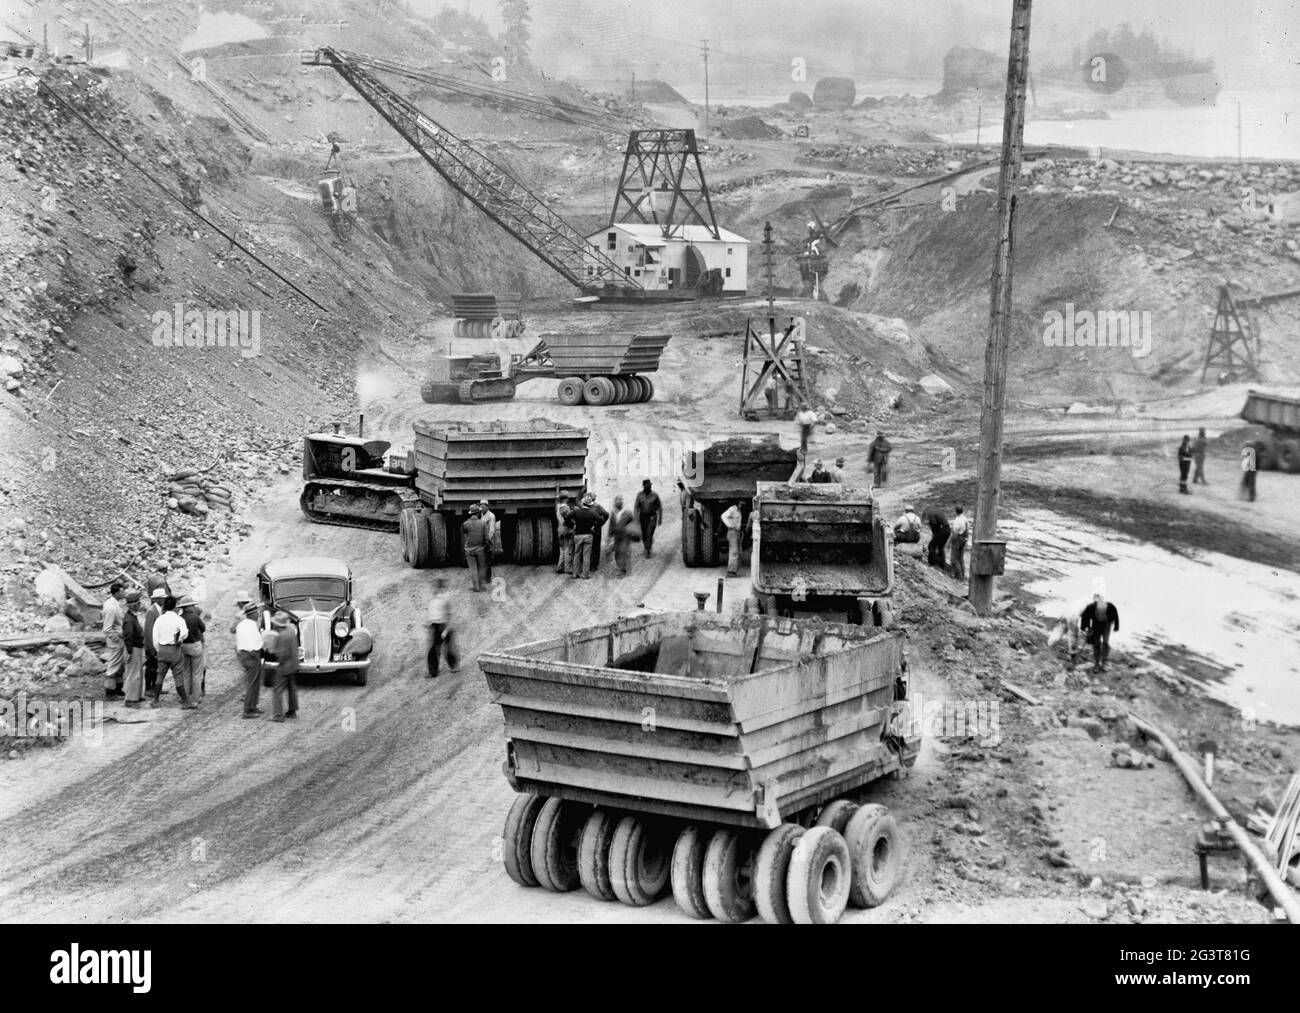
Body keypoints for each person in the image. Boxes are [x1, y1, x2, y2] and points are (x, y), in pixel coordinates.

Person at [150, 596, 188, 707]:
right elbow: (185, 632)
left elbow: (155, 638)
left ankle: (155, 700)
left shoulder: (159, 619)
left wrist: (159, 649)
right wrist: (179, 640)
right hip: (174, 649)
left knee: (160, 675)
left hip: (162, 648)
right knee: (178, 675)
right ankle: (185, 701)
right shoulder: (178, 619)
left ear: (164, 606)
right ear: (175, 606)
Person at [232, 601, 264, 717]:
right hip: (252, 655)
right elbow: (255, 644)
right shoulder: (251, 626)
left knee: (254, 682)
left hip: (244, 655)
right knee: (252, 683)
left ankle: (253, 706)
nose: (258, 615)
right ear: (253, 614)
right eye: (257, 613)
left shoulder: (242, 624)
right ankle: (247, 710)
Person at [269, 612, 299, 722]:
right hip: (294, 665)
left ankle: (278, 715)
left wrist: (274, 651)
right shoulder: (291, 631)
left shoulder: (281, 636)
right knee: (291, 688)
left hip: (285, 667)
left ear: (277, 625)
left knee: (277, 690)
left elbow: (282, 654)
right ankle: (292, 711)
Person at [1080, 592, 1120, 674]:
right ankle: (1097, 663)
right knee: (1096, 643)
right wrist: (1086, 627)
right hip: (1096, 624)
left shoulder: (1110, 606)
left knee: (1105, 642)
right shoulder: (1091, 607)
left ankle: (1104, 662)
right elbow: (1085, 617)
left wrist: (1116, 626)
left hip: (1106, 624)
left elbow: (1115, 615)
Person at [178, 594, 206, 709]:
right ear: (189, 607)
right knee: (196, 674)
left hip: (183, 646)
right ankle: (195, 700)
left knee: (186, 673)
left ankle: (186, 699)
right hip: (195, 645)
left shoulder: (180, 618)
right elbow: (203, 628)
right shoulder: (195, 617)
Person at [426, 579, 458, 678]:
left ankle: (453, 666)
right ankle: (433, 672)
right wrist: (429, 623)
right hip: (435, 626)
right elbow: (432, 614)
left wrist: (446, 629)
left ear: (440, 588)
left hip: (444, 626)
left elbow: (449, 615)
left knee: (447, 648)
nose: (433, 589)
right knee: (434, 650)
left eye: (435, 587)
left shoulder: (445, 599)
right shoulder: (433, 600)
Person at [101, 583, 126, 699]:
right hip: (116, 641)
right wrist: (117, 639)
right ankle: (110, 692)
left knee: (120, 666)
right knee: (113, 666)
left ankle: (118, 689)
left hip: (119, 640)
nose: (124, 593)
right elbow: (107, 628)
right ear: (116, 593)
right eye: (122, 591)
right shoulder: (111, 607)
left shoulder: (116, 603)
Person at [122, 591, 146, 708]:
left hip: (136, 647)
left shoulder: (132, 617)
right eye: (138, 603)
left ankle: (136, 695)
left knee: (137, 673)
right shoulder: (129, 619)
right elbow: (128, 636)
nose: (140, 604)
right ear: (134, 605)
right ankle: (130, 699)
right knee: (133, 674)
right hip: (133, 648)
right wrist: (130, 652)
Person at [570, 495, 599, 578]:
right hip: (588, 535)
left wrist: (573, 524)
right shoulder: (592, 513)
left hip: (578, 535)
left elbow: (567, 517)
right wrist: (594, 527)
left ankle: (575, 573)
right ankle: (585, 574)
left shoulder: (576, 512)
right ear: (590, 505)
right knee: (586, 556)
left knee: (577, 554)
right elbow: (600, 520)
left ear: (582, 503)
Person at [461, 504, 489, 592]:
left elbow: (465, 533)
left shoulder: (465, 524)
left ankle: (475, 587)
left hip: (469, 550)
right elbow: (486, 538)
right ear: (478, 513)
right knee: (481, 568)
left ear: (470, 513)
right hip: (480, 550)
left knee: (473, 569)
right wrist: (487, 547)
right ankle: (481, 586)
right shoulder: (483, 524)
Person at [143, 588, 165, 696]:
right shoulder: (151, 611)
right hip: (151, 645)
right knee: (150, 667)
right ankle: (148, 688)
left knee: (157, 667)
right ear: (157, 599)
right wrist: (151, 647)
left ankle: (156, 687)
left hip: (157, 643)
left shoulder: (159, 610)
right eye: (161, 599)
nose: (163, 600)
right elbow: (148, 630)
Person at [606, 496, 636, 576]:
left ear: (621, 504)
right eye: (616, 503)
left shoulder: (627, 513)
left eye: (619, 502)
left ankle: (623, 569)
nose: (617, 504)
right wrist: (609, 537)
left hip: (625, 536)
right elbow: (611, 526)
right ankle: (620, 567)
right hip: (616, 536)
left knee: (624, 551)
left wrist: (632, 532)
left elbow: (633, 522)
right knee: (617, 552)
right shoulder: (613, 513)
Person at [634, 480, 662, 557]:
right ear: (643, 487)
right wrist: (636, 518)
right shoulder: (639, 495)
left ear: (651, 486)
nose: (647, 488)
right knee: (644, 534)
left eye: (649, 486)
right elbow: (636, 507)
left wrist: (660, 519)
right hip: (643, 517)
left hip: (652, 517)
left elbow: (659, 507)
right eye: (646, 487)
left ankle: (647, 549)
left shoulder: (655, 495)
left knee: (649, 533)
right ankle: (647, 546)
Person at [720, 501, 744, 577]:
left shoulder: (738, 510)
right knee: (734, 552)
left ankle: (734, 571)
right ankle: (730, 572)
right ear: (738, 502)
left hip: (737, 532)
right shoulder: (732, 509)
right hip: (732, 532)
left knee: (738, 552)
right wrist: (729, 525)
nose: (742, 504)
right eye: (741, 503)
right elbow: (723, 516)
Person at [479, 500, 499, 582]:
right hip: (482, 539)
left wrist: (488, 540)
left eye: (484, 507)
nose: (482, 508)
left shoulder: (491, 516)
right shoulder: (482, 515)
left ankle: (487, 578)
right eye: (481, 507)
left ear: (487, 507)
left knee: (487, 559)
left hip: (488, 540)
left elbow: (492, 530)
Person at [948, 506, 969, 580]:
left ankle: (959, 577)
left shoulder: (957, 520)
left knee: (954, 558)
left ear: (955, 511)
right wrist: (966, 540)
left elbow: (955, 533)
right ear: (962, 511)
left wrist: (949, 542)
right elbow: (967, 530)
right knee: (961, 558)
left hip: (958, 539)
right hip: (964, 538)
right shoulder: (965, 518)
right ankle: (963, 575)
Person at [556, 492, 575, 575]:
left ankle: (560, 567)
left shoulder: (558, 507)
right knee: (568, 550)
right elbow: (568, 519)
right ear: (566, 498)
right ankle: (568, 569)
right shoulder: (565, 508)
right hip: (567, 530)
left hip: (560, 529)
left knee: (562, 550)